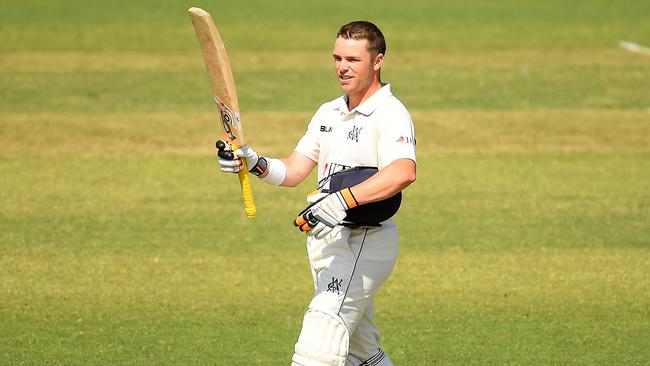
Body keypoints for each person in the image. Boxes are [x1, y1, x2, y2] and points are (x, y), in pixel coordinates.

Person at [217, 20, 416, 366]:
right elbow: (294, 171)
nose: (342, 67)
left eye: (353, 60)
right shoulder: (329, 112)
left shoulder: (390, 113)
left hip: (365, 241)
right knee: (360, 351)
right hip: (325, 243)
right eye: (337, 58)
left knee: (320, 336)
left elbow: (403, 172)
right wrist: (253, 161)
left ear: (377, 61)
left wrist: (343, 200)